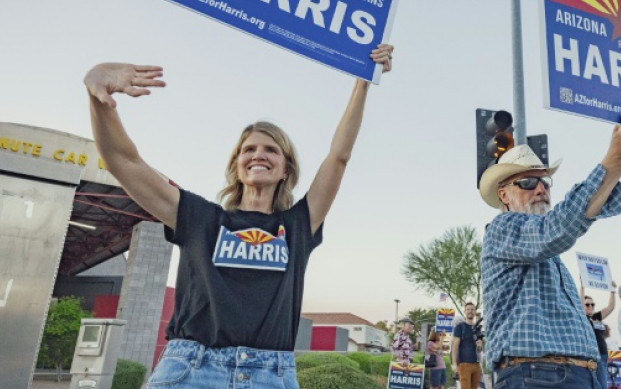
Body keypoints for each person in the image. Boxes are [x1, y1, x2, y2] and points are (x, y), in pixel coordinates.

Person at [83, 45, 393, 389]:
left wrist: (362, 83)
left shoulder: (298, 225)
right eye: (249, 149)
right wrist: (99, 98)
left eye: (271, 149)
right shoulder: (199, 217)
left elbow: (338, 157)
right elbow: (123, 162)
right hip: (191, 369)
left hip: (270, 374)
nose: (258, 155)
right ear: (236, 165)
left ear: (285, 167)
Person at [479, 105, 621, 389]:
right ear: (504, 195)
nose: (541, 188)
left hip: (581, 375)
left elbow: (575, 218)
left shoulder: (548, 249)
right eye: (528, 182)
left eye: (545, 181)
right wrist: (616, 158)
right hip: (538, 376)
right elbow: (559, 226)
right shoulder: (501, 229)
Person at [583, 280, 618, 389]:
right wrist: (582, 286)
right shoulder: (581, 318)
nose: (590, 306)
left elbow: (610, 307)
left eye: (592, 304)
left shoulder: (596, 317)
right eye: (587, 304)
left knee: (602, 384)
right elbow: (579, 302)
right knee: (594, 384)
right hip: (591, 355)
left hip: (602, 355)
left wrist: (612, 291)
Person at [452, 302, 484, 389]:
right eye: (468, 309)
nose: (470, 311)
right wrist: (454, 364)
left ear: (475, 311)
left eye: (472, 309)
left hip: (477, 365)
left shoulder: (478, 328)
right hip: (464, 365)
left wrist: (480, 345)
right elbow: (455, 346)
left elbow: (480, 350)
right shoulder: (460, 327)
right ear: (465, 311)